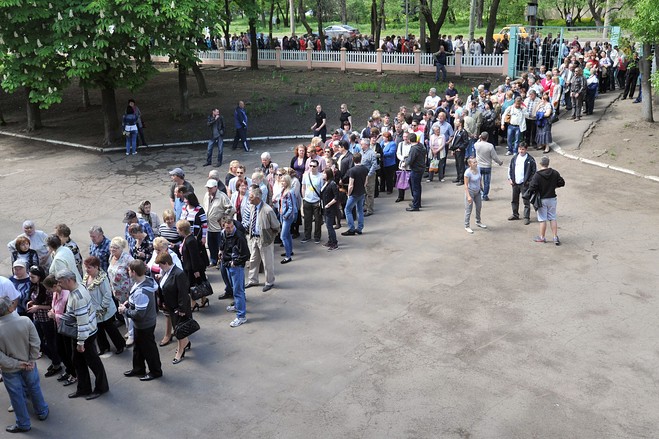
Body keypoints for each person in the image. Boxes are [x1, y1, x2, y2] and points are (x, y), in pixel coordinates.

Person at [55, 269, 109, 400]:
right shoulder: (77, 287)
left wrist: (80, 343)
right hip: (82, 334)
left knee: (93, 363)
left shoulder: (77, 297)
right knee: (78, 362)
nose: (59, 285)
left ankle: (101, 388)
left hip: (85, 336)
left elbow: (83, 322)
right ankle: (84, 388)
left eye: (60, 282)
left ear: (69, 280)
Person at [0, 296, 49, 433]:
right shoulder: (25, 321)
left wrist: (17, 364)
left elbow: (1, 358)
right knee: (34, 387)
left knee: (16, 396)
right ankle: (42, 411)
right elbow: (35, 343)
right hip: (29, 364)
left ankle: (23, 423)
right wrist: (31, 361)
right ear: (10, 308)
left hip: (10, 369)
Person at [120, 260, 162, 381]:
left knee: (149, 349)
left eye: (129, 270)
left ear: (133, 272)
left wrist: (125, 311)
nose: (128, 272)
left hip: (144, 324)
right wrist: (129, 303)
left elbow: (139, 315)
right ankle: (138, 369)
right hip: (143, 324)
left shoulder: (141, 292)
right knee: (138, 347)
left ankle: (155, 371)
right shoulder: (145, 280)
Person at [83, 256, 125, 356]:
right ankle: (104, 347)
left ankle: (120, 345)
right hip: (93, 309)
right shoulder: (87, 276)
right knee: (98, 330)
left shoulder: (102, 279)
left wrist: (102, 308)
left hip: (104, 310)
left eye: (89, 267)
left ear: (96, 267)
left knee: (110, 328)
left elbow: (107, 294)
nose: (86, 269)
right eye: (86, 267)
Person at [155, 253, 191, 364]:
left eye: (160, 265)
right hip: (171, 306)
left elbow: (183, 294)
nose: (159, 267)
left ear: (166, 263)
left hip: (178, 308)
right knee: (178, 329)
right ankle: (186, 342)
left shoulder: (178, 274)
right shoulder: (166, 272)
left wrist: (181, 310)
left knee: (178, 331)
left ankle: (180, 351)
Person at [26, 266, 61, 377]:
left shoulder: (47, 288)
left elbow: (52, 306)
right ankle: (55, 359)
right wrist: (32, 302)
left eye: (33, 276)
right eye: (30, 276)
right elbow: (35, 298)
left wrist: (38, 307)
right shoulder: (34, 286)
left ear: (39, 277)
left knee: (50, 343)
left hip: (47, 319)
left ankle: (56, 363)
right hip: (37, 318)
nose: (30, 278)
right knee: (38, 342)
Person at [43, 275, 77, 387]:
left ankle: (74, 373)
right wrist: (53, 312)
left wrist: (55, 315)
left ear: (54, 286)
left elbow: (69, 315)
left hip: (66, 327)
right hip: (58, 326)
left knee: (68, 352)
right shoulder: (55, 293)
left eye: (49, 289)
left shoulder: (66, 295)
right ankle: (69, 370)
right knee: (60, 350)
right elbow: (54, 306)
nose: (49, 291)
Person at [245, 185, 280, 292]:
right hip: (254, 238)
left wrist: (270, 238)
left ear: (257, 198)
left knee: (267, 262)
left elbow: (276, 226)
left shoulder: (267, 210)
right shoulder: (252, 207)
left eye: (250, 197)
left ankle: (269, 282)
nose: (248, 199)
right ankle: (253, 280)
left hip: (265, 240)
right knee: (253, 260)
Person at [219, 217, 250, 328]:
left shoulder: (239, 237)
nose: (230, 229)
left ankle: (241, 316)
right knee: (236, 288)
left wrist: (235, 262)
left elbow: (246, 254)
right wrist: (221, 252)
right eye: (228, 227)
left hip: (235, 267)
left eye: (231, 226)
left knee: (238, 291)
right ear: (223, 226)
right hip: (228, 264)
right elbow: (223, 245)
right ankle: (238, 306)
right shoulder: (223, 233)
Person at [528, 156, 566, 245]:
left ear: (540, 164)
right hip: (552, 198)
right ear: (548, 163)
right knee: (552, 218)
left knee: (542, 219)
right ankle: (555, 237)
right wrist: (554, 186)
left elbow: (532, 187)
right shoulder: (555, 173)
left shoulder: (537, 175)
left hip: (541, 200)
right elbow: (562, 183)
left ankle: (542, 237)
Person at [176, 220, 208, 311]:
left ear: (182, 230)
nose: (177, 231)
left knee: (192, 286)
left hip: (192, 268)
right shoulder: (187, 238)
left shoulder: (190, 241)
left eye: (178, 229)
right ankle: (203, 299)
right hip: (190, 267)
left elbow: (194, 256)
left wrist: (196, 270)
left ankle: (193, 304)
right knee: (199, 284)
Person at [107, 237, 134, 344]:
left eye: (115, 247)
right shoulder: (111, 257)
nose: (112, 249)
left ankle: (132, 335)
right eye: (111, 247)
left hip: (128, 291)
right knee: (123, 312)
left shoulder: (128, 259)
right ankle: (129, 329)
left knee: (130, 312)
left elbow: (134, 274)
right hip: (117, 292)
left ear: (121, 248)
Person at [203, 178, 234, 267]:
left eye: (210, 188)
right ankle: (213, 260)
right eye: (208, 188)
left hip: (218, 227)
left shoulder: (222, 196)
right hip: (209, 226)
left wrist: (223, 218)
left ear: (216, 187)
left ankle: (221, 261)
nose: (209, 189)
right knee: (211, 245)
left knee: (220, 245)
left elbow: (231, 208)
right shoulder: (206, 195)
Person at [507, 142, 537, 225]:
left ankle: (526, 217)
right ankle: (515, 214)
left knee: (526, 201)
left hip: (525, 184)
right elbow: (510, 168)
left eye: (523, 149)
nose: (521, 151)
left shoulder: (530, 160)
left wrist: (528, 182)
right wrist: (510, 179)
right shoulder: (514, 158)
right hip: (515, 183)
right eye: (520, 149)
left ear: (526, 150)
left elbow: (534, 172)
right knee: (514, 200)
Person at [342, 152, 368, 236]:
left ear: (353, 160)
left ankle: (351, 228)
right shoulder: (365, 169)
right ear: (361, 159)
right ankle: (360, 228)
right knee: (360, 210)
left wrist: (349, 194)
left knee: (347, 209)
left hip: (354, 193)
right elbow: (366, 182)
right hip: (361, 192)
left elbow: (351, 185)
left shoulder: (352, 170)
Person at [474, 132, 503, 201]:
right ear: (487, 138)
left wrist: (479, 138)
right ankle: (485, 195)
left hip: (479, 166)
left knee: (478, 181)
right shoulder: (490, 146)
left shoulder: (477, 145)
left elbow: (477, 142)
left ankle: (480, 193)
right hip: (487, 166)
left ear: (481, 137)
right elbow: (494, 157)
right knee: (486, 182)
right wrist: (499, 162)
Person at [301, 159, 324, 244]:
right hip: (307, 200)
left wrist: (321, 201)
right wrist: (304, 198)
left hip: (316, 201)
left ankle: (317, 237)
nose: (312, 168)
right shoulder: (305, 175)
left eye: (314, 166)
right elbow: (303, 187)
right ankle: (307, 236)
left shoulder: (321, 176)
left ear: (317, 167)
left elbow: (322, 190)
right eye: (310, 166)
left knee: (318, 220)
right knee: (307, 220)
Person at [463, 157, 487, 234]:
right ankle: (467, 225)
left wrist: (481, 186)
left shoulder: (478, 168)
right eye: (474, 162)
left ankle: (478, 221)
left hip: (477, 191)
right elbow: (466, 185)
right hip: (470, 191)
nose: (476, 163)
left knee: (479, 207)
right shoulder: (467, 173)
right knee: (468, 209)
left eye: (476, 162)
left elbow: (480, 178)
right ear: (469, 164)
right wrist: (468, 196)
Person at [278, 174, 297, 263]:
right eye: (281, 181)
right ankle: (289, 250)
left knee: (283, 236)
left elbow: (292, 207)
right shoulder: (283, 190)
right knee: (287, 234)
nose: (282, 183)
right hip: (282, 214)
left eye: (284, 181)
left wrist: (286, 215)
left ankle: (288, 256)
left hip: (287, 216)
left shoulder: (289, 192)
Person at [320, 168, 340, 251]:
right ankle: (330, 240)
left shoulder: (332, 184)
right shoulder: (326, 183)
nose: (322, 175)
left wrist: (328, 204)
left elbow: (336, 197)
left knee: (329, 226)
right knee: (328, 225)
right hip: (325, 207)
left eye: (324, 173)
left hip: (330, 208)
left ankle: (334, 242)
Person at [406, 133, 425, 212]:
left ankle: (416, 205)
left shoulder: (414, 149)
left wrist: (405, 162)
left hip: (416, 169)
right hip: (420, 168)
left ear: (409, 140)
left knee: (415, 188)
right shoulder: (420, 146)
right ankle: (417, 202)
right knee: (417, 186)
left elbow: (410, 160)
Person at [449, 119, 469, 183]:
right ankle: (458, 177)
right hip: (456, 149)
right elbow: (454, 140)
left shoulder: (464, 132)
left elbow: (466, 142)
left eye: (457, 121)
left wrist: (460, 148)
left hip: (460, 150)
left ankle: (462, 179)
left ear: (460, 123)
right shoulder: (457, 131)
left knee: (461, 165)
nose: (455, 122)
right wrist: (453, 149)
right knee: (457, 164)